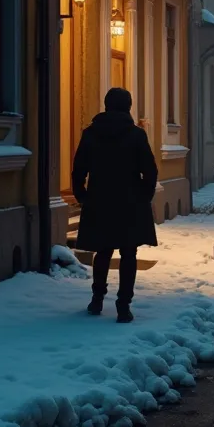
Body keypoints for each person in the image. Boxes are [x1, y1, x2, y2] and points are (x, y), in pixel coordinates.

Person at [72, 87, 158, 323]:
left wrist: (82, 195)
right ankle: (123, 306)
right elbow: (149, 170)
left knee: (103, 250)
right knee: (128, 253)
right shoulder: (136, 135)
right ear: (128, 106)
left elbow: (79, 168)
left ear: (106, 105)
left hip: (99, 199)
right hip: (130, 201)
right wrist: (144, 195)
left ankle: (97, 298)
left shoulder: (90, 134)